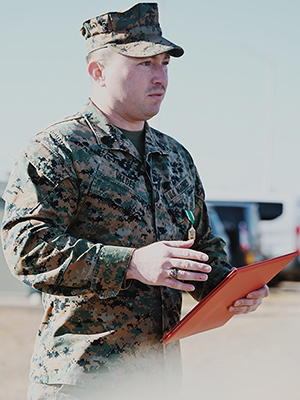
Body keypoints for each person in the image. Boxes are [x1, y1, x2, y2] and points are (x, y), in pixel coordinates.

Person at [1, 3, 269, 399]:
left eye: (164, 63)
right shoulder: (58, 149)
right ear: (98, 72)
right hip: (81, 379)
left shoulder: (175, 157)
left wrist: (230, 288)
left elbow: (203, 252)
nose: (160, 76)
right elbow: (25, 249)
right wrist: (130, 264)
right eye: (144, 63)